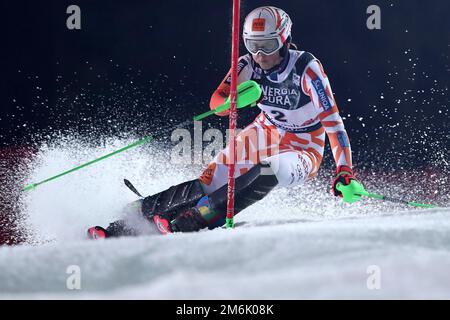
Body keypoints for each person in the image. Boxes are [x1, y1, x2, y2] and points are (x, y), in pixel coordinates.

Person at [87, 6, 365, 239]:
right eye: (252, 45)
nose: (260, 54)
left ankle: (195, 219)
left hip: (304, 146)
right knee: (210, 181)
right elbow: (216, 102)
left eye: (267, 46)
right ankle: (122, 225)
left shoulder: (306, 68)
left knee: (272, 170)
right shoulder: (247, 65)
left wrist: (344, 170)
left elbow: (333, 122)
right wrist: (229, 102)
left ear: (284, 39)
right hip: (264, 132)